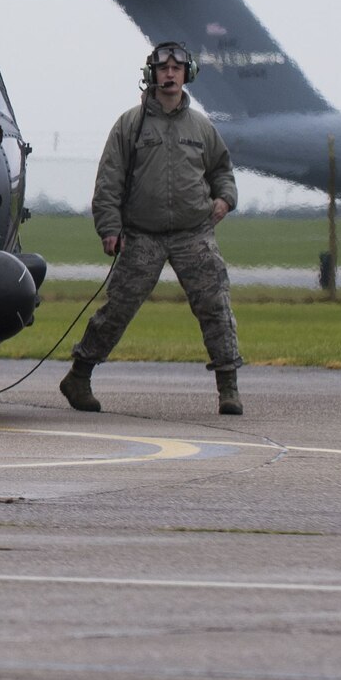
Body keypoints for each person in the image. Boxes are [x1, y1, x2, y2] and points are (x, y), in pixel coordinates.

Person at [60, 42, 245, 415]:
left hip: (194, 233)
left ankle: (228, 387)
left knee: (215, 306)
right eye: (164, 68)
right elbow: (108, 180)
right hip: (142, 234)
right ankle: (79, 376)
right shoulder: (130, 125)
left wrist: (225, 199)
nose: (171, 74)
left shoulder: (201, 127)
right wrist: (109, 228)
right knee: (118, 309)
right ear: (152, 74)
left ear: (186, 74)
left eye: (177, 68)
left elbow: (222, 170)